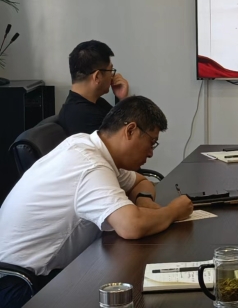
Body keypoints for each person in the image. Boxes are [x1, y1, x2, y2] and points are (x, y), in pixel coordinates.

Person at [0, 96, 193, 307]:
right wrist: (174, 211)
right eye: (151, 142)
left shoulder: (87, 146)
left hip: (40, 273)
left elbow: (141, 181)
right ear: (130, 130)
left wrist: (143, 200)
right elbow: (131, 226)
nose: (151, 152)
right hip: (20, 285)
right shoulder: (89, 165)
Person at [57, 40, 130, 135]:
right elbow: (128, 137)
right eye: (110, 70)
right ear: (97, 76)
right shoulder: (84, 117)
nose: (113, 76)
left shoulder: (96, 103)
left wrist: (123, 99)